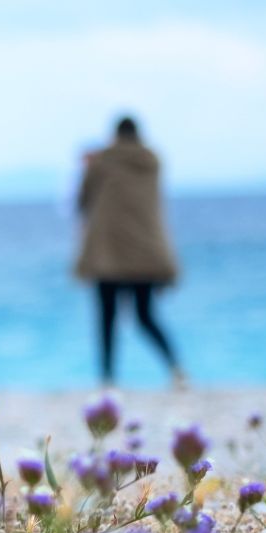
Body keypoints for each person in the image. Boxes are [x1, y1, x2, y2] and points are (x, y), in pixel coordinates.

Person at [75, 116, 185, 387]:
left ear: (114, 136)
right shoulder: (151, 163)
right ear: (139, 135)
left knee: (107, 319)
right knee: (145, 316)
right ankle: (176, 369)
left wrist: (88, 166)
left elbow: (82, 202)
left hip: (108, 254)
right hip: (144, 254)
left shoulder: (101, 161)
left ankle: (108, 379)